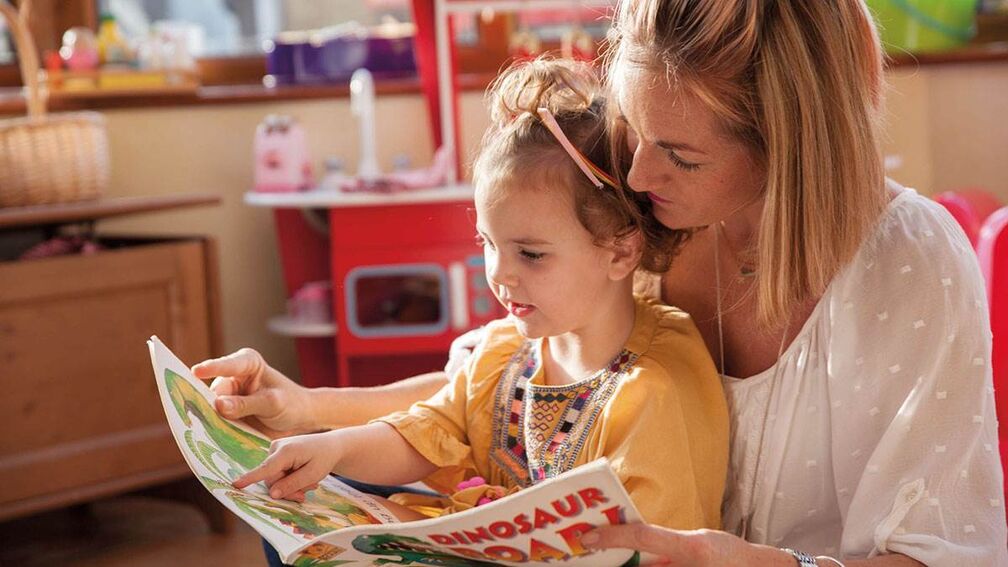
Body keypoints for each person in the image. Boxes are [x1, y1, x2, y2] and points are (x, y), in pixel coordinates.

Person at [195, 1, 1008, 565]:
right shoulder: (638, 212)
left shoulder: (908, 261)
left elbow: (944, 554)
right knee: (301, 520)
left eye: (680, 155)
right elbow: (492, 389)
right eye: (635, 129)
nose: (640, 173)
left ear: (790, 147)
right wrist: (306, 407)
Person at [228, 58, 729, 533]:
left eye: (530, 254)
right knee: (295, 513)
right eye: (488, 243)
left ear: (620, 251)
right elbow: (427, 431)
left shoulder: (652, 391)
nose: (499, 273)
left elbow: (658, 545)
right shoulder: (505, 351)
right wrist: (331, 448)